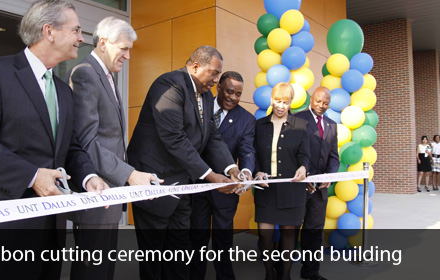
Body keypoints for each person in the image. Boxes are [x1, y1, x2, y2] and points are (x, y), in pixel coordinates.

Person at [0, 1, 109, 279]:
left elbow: (70, 147)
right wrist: (32, 175)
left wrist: (88, 178)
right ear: (49, 31)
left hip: (51, 229)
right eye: (76, 30)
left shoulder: (63, 90)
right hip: (5, 228)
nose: (82, 39)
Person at [127, 45, 242, 280]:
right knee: (154, 255)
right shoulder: (169, 85)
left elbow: (212, 136)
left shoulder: (207, 97)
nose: (215, 80)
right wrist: (210, 175)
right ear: (196, 66)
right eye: (213, 73)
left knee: (179, 251)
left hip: (182, 187)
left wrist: (232, 168)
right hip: (154, 184)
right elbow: (174, 138)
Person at [65, 16, 156, 280]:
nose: (128, 56)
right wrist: (129, 174)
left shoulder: (106, 76)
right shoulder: (85, 73)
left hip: (110, 192)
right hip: (97, 192)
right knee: (92, 269)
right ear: (103, 42)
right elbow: (86, 141)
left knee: (103, 267)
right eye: (123, 48)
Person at [190, 71, 256, 280]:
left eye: (238, 94)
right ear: (218, 87)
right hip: (197, 185)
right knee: (196, 238)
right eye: (229, 92)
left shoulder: (246, 119)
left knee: (223, 240)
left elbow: (247, 150)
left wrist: (245, 172)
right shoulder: (200, 106)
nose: (233, 98)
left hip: (226, 190)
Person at [254, 82, 310, 280]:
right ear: (271, 100)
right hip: (265, 189)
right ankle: (269, 274)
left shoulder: (301, 126)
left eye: (285, 102)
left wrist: (303, 167)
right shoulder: (259, 125)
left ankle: (285, 275)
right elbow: (251, 154)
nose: (280, 106)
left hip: (292, 189)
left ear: (291, 103)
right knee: (265, 235)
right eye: (277, 101)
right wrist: (255, 172)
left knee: (289, 235)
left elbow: (305, 155)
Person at [294, 87, 339, 280]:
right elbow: (290, 152)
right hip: (298, 187)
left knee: (314, 231)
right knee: (291, 230)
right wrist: (303, 177)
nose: (321, 106)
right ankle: (281, 271)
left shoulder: (332, 125)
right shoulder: (297, 119)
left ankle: (310, 272)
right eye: (318, 101)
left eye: (326, 103)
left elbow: (334, 157)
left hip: (320, 191)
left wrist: (330, 175)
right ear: (311, 99)